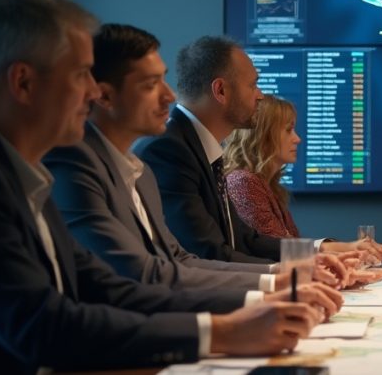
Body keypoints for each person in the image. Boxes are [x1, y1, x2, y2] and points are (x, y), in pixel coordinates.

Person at [0, 0, 322, 373]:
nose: (94, 92)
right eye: (81, 75)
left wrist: (244, 310)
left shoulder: (17, 166)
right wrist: (220, 332)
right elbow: (44, 326)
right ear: (23, 82)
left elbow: (104, 287)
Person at [44, 24, 354, 293]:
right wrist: (279, 282)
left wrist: (305, 261)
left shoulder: (152, 164)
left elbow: (208, 251)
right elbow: (191, 259)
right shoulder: (161, 152)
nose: (168, 95)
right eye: (151, 84)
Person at [134, 36, 382, 265]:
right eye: (253, 85)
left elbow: (246, 240)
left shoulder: (198, 148)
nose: (260, 95)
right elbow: (208, 252)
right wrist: (301, 272)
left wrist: (324, 250)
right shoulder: (169, 150)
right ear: (220, 90)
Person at [224, 94, 302, 238]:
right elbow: (278, 248)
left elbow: (293, 247)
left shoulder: (269, 186)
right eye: (288, 130)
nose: (297, 139)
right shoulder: (243, 182)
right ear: (263, 135)